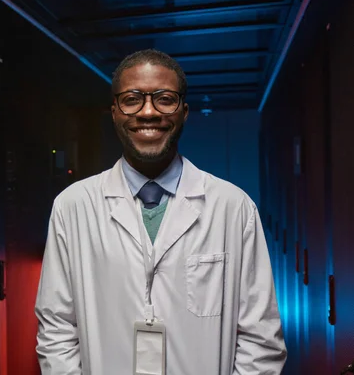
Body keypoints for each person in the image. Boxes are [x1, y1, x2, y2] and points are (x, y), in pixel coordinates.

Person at [35, 49, 287, 374]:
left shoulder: (232, 207)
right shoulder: (73, 207)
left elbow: (261, 338)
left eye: (164, 99)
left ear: (184, 111)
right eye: (132, 99)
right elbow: (57, 329)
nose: (148, 112)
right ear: (114, 111)